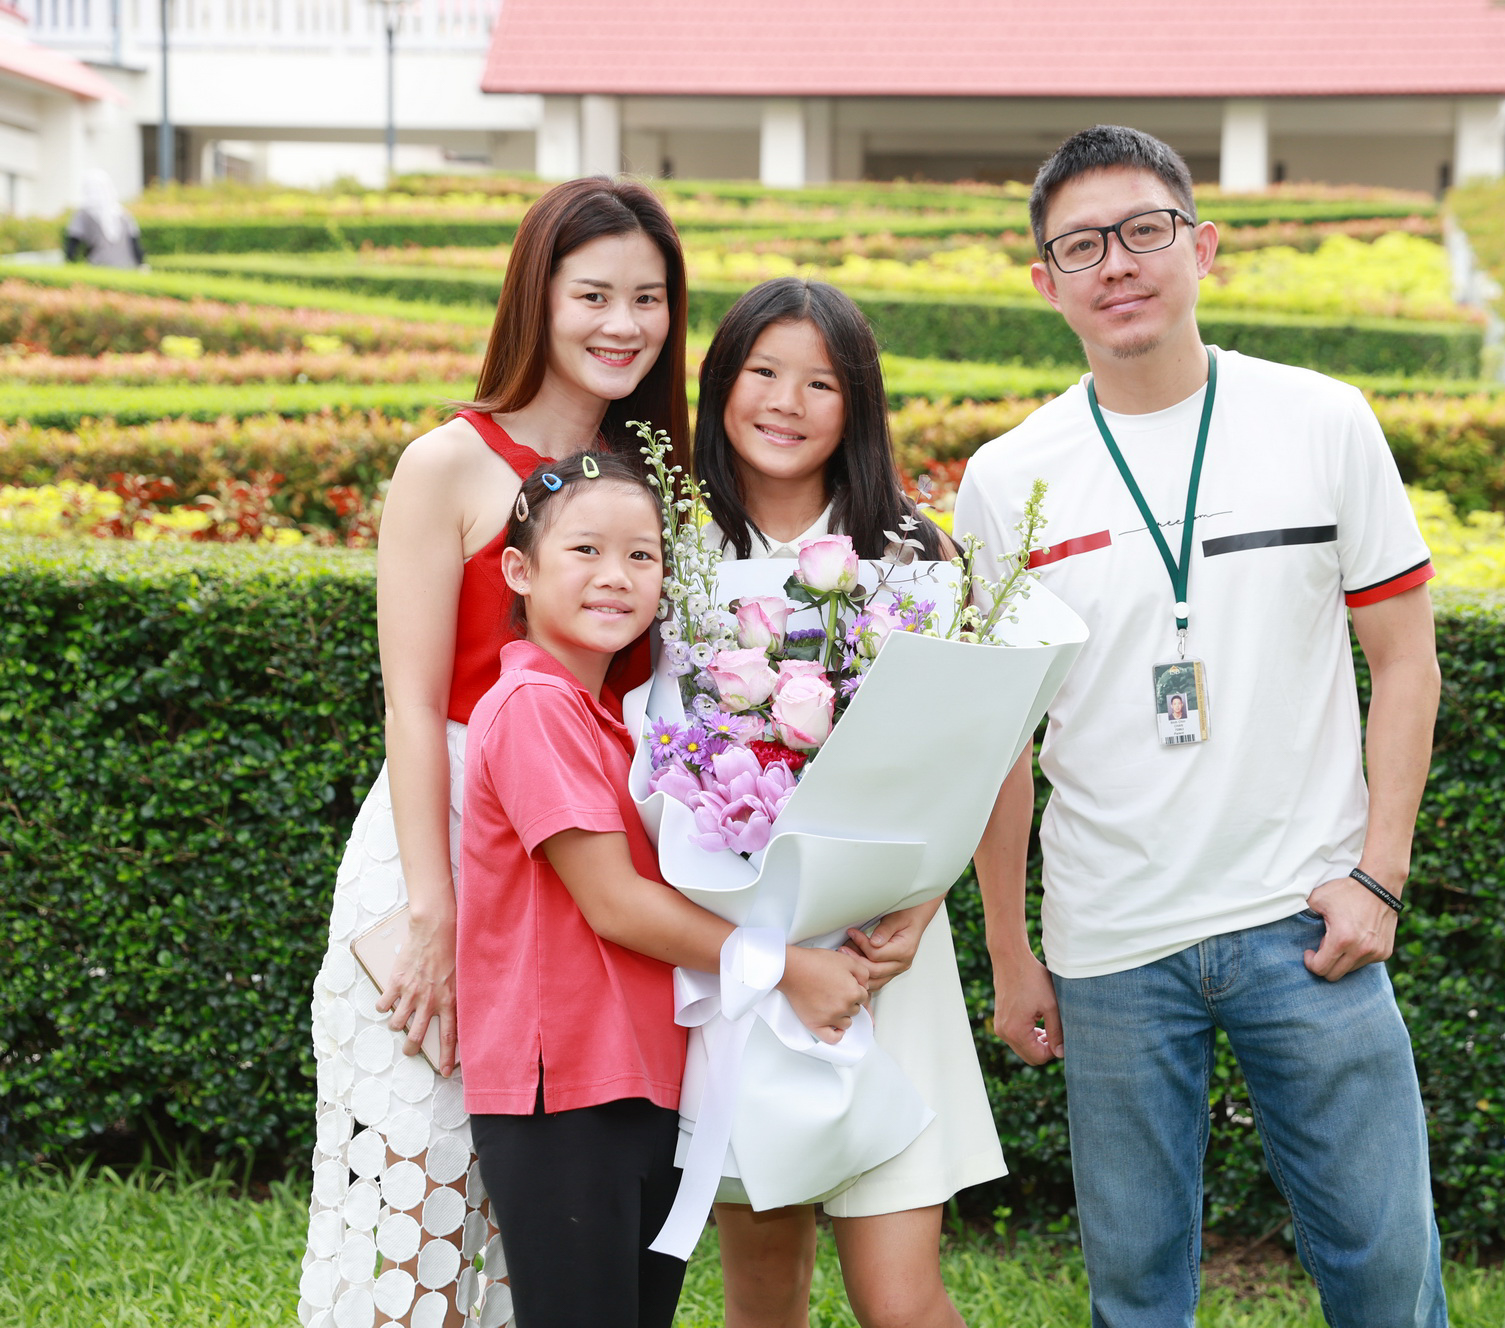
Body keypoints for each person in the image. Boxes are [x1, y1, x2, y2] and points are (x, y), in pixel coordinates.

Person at [956, 126, 1450, 1328]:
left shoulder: (1321, 420)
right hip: (1110, 942)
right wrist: (1013, 950)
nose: (1116, 264)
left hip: (1306, 918)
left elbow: (1405, 656)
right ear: (1046, 281)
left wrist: (1377, 874)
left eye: (1143, 231)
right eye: (1081, 245)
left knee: (1388, 1276)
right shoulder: (1005, 479)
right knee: (1136, 1294)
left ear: (1201, 246)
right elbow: (998, 745)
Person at [298, 176, 692, 1328]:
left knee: (553, 1229)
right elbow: (413, 702)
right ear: (539, 295)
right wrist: (433, 906)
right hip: (446, 846)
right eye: (596, 294)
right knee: (415, 1205)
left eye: (651, 299)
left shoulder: (653, 473)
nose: (625, 324)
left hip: (583, 865)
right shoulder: (450, 462)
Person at [459, 450, 873, 1328]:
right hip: (565, 1087)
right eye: (586, 552)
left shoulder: (623, 723)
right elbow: (611, 902)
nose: (617, 577)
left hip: (640, 1082)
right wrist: (787, 966)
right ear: (519, 571)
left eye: (643, 555)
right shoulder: (535, 707)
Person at [693, 276, 1005, 1328]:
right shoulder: (670, 550)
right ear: (719, 383)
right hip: (748, 961)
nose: (786, 401)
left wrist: (918, 908)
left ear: (857, 403)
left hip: (887, 958)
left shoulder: (914, 555)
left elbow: (984, 749)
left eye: (821, 381)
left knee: (900, 1297)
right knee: (763, 1295)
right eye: (763, 372)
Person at [63, 169, 143, 268]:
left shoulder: (83, 213)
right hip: (126, 267)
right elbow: (135, 244)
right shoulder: (124, 214)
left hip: (98, 266)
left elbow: (72, 243)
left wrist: (69, 265)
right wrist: (141, 264)